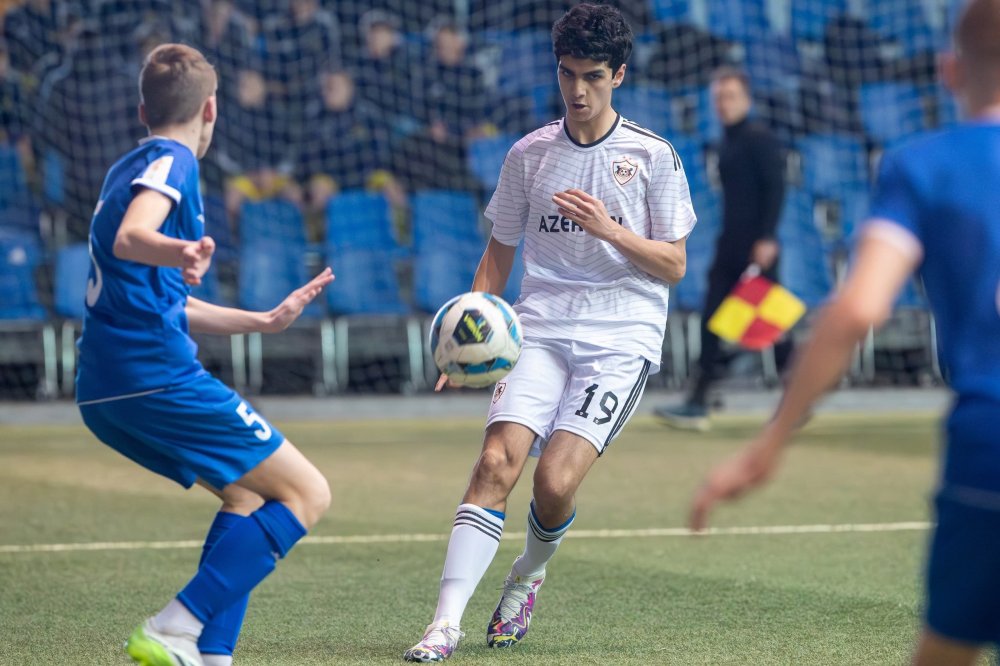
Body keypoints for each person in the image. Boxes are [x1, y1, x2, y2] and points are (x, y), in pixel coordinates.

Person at [689, 1, 1000, 664]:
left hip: (989, 438)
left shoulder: (924, 166)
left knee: (946, 650)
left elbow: (858, 309)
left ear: (949, 71)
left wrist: (772, 438)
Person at [403, 4, 696, 661]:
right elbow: (498, 253)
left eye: (593, 76)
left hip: (620, 334)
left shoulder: (652, 156)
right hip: (537, 327)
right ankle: (443, 625)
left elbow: (674, 265)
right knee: (495, 462)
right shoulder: (529, 155)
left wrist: (609, 230)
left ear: (619, 75)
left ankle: (527, 575)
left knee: (555, 483)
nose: (578, 90)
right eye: (568, 74)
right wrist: (464, 335)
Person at [75, 44, 334, 666]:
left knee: (247, 496)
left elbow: (159, 298)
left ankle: (211, 655)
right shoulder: (174, 159)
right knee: (308, 494)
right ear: (211, 109)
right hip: (155, 376)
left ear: (143, 110)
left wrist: (262, 321)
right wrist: (179, 251)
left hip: (105, 387)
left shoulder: (126, 169)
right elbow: (132, 237)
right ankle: (173, 626)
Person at [655, 66, 789, 431]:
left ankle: (796, 397)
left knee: (771, 329)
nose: (723, 104)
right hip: (731, 244)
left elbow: (776, 188)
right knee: (717, 320)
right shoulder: (726, 141)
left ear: (746, 99)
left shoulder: (759, 138)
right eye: (718, 98)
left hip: (755, 247)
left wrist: (767, 237)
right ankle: (699, 400)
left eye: (730, 97)